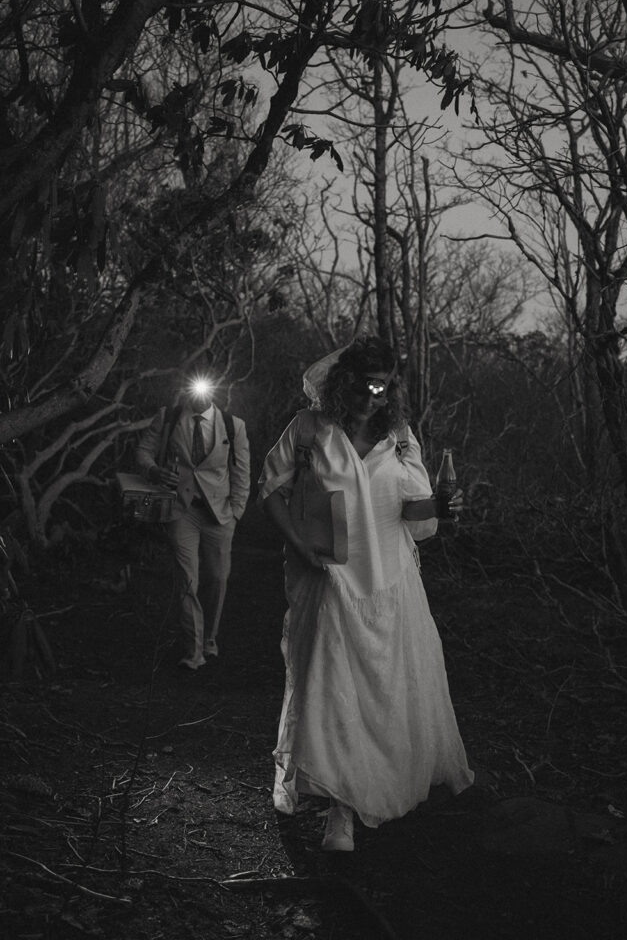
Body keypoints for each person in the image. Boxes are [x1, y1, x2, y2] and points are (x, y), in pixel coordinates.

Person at [258, 336, 474, 852]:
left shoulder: (399, 437)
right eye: (365, 386)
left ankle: (385, 777)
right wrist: (300, 546)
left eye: (383, 388)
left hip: (390, 581)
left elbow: (417, 512)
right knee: (334, 686)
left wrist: (448, 508)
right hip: (328, 576)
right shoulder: (309, 430)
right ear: (343, 382)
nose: (374, 397)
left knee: (386, 686)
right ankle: (342, 808)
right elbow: (271, 490)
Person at [136, 369, 250, 670]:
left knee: (217, 579)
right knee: (187, 580)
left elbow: (242, 473)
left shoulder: (232, 425)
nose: (199, 394)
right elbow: (144, 452)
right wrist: (153, 471)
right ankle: (193, 651)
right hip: (180, 510)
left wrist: (236, 512)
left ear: (215, 391)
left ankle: (210, 638)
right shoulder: (169, 418)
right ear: (185, 390)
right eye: (193, 389)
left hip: (219, 514)